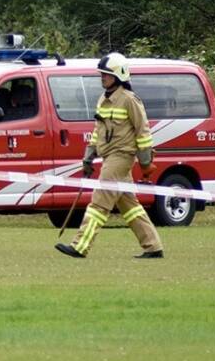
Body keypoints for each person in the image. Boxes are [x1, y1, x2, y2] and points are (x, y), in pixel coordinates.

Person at [57, 53, 164, 259]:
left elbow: (143, 131)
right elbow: (97, 131)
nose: (102, 78)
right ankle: (153, 246)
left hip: (121, 156)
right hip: (108, 157)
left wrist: (145, 162)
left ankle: (80, 245)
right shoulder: (103, 100)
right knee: (129, 205)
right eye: (102, 74)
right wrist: (88, 156)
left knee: (99, 202)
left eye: (106, 74)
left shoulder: (129, 100)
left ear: (119, 76)